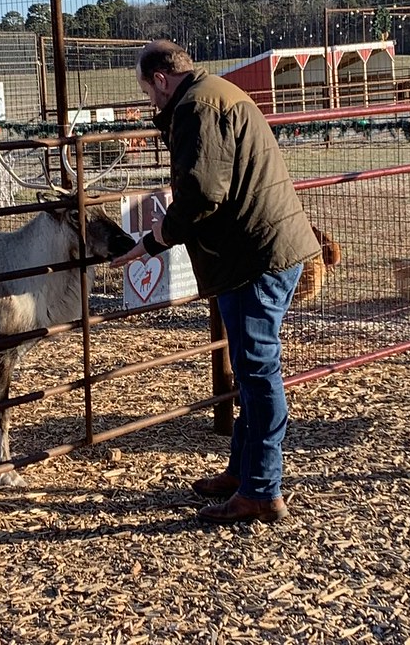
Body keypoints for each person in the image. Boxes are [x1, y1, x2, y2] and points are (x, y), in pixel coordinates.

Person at [111, 40, 320, 524]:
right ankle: (243, 474)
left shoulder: (196, 108)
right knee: (250, 372)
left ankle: (262, 492)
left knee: (258, 373)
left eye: (147, 90)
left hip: (252, 258)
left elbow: (203, 191)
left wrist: (154, 239)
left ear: (161, 78)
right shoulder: (218, 92)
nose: (149, 101)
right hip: (267, 248)